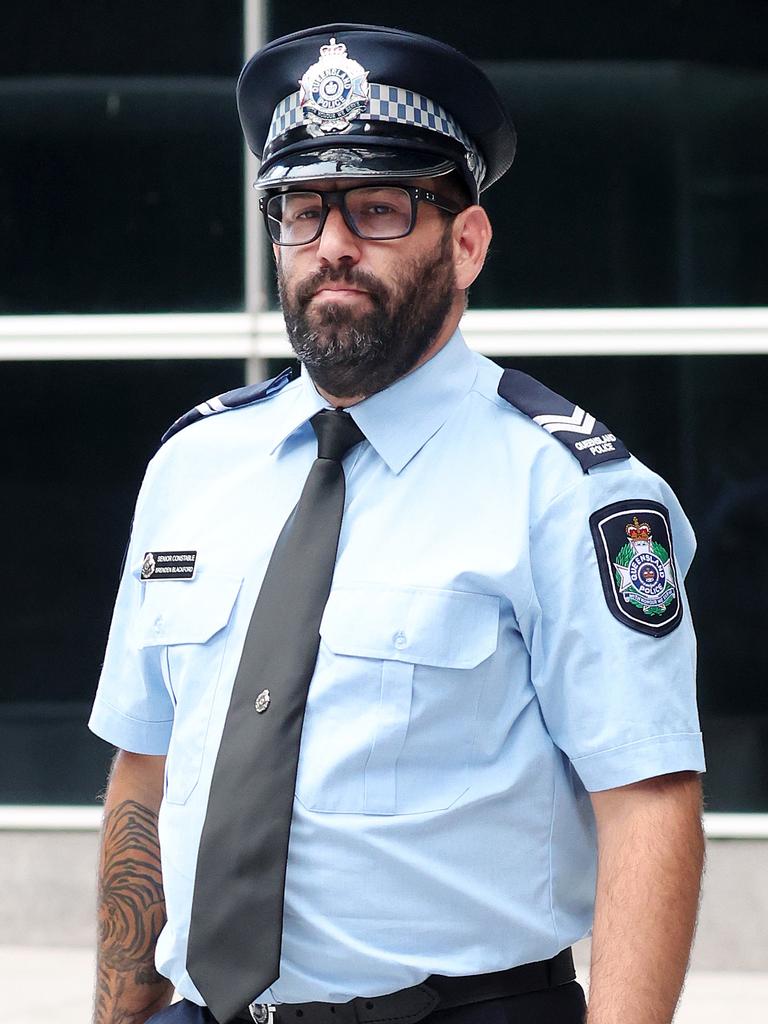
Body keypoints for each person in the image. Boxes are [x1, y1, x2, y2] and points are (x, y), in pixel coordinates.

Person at [89, 23, 705, 1024]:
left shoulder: (566, 486)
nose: (332, 242)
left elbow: (648, 803)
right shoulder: (193, 467)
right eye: (301, 210)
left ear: (465, 244)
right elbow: (144, 769)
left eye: (377, 208)